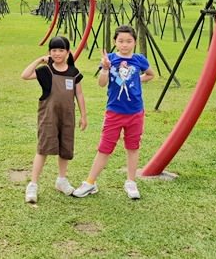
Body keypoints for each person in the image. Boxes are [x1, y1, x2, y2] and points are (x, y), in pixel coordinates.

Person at [73, 25, 155, 200]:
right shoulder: (109, 59)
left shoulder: (139, 59)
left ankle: (131, 182)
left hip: (135, 113)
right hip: (114, 113)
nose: (125, 45)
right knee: (105, 148)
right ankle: (90, 182)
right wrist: (105, 68)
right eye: (121, 41)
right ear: (115, 42)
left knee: (133, 147)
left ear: (134, 41)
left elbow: (150, 74)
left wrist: (136, 79)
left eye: (129, 41)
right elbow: (102, 84)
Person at [21, 36, 87, 203]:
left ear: (67, 52)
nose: (57, 53)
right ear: (49, 52)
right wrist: (39, 60)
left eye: (61, 50)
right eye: (54, 50)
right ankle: (33, 185)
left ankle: (61, 180)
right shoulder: (46, 71)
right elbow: (25, 75)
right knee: (43, 148)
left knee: (66, 148)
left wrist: (83, 115)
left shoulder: (74, 72)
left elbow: (79, 94)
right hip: (48, 117)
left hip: (67, 117)